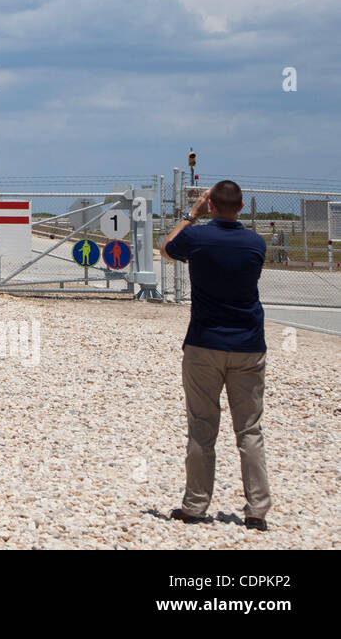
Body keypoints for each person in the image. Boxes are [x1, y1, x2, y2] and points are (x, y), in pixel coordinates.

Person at [162, 180, 270, 531]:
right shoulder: (256, 243)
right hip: (248, 345)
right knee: (249, 430)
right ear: (240, 206)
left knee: (202, 428)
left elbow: (166, 249)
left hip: (204, 343)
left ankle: (195, 506)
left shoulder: (196, 238)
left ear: (210, 206)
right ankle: (257, 510)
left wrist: (189, 215)